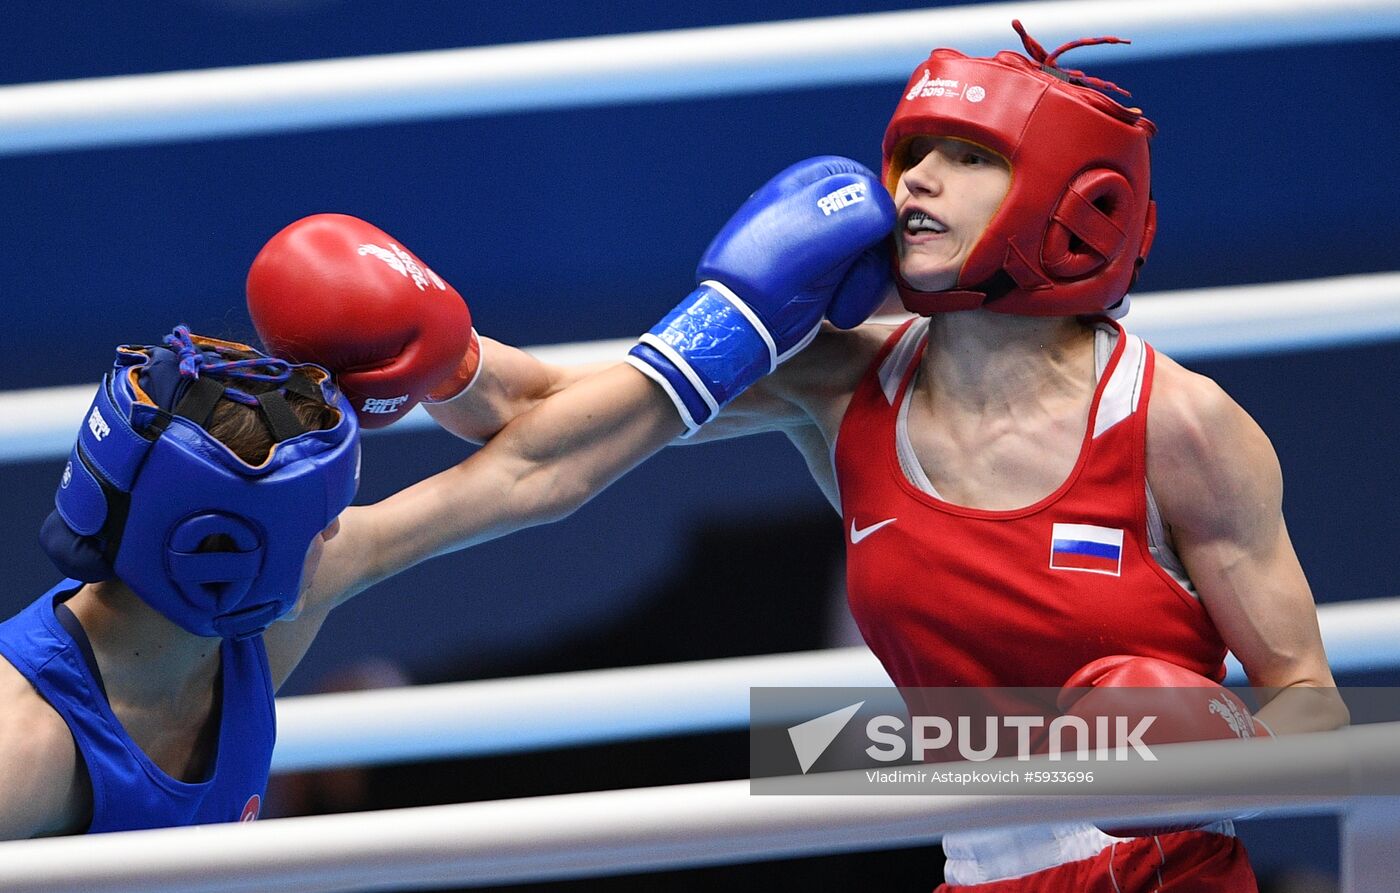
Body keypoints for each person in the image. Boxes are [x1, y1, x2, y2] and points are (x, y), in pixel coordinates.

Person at [413, 21, 1349, 892]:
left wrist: (1221, 758)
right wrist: (421, 347)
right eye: (912, 153)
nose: (917, 182)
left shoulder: (1179, 422)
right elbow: (549, 406)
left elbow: (1313, 705)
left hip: (1170, 869)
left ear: (1080, 202)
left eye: (970, 156)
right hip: (976, 867)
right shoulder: (836, 380)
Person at [0, 156, 894, 839]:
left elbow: (526, 470)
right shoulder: (23, 746)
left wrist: (459, 363)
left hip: (998, 755)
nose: (339, 531)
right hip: (968, 758)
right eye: (319, 520)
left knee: (986, 752)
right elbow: (532, 442)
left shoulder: (261, 605)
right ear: (227, 563)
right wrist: (741, 320)